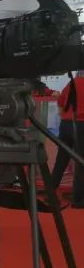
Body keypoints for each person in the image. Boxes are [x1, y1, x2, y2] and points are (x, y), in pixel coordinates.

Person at [51, 72, 84, 208]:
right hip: (81, 125)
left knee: (61, 160)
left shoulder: (74, 81)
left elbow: (60, 101)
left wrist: (64, 116)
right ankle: (78, 200)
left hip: (66, 124)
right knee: (81, 163)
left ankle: (50, 193)